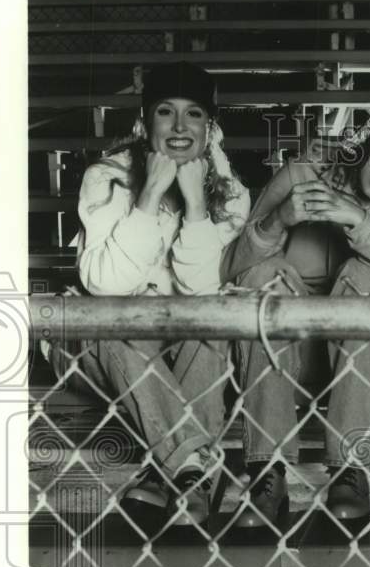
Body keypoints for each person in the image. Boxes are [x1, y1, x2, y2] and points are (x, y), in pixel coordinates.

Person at [219, 74, 370, 531]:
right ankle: (267, 471)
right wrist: (279, 220)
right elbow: (234, 270)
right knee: (265, 275)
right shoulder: (304, 173)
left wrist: (359, 220)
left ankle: (349, 468)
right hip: (281, 358)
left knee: (365, 276)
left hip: (355, 368)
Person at [71, 60, 250, 529]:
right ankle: (198, 468)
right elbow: (106, 285)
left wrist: (194, 204)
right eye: (165, 112)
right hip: (112, 349)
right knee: (112, 321)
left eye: (193, 114)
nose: (178, 126)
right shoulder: (105, 177)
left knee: (212, 321)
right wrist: (150, 194)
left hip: (188, 346)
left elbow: (205, 289)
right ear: (143, 121)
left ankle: (170, 472)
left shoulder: (230, 193)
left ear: (209, 129)